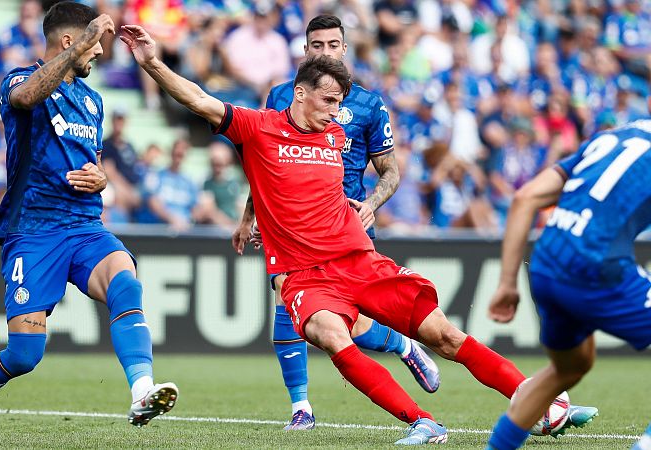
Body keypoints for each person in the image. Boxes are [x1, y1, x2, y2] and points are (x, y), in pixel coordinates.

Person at [120, 24, 597, 445]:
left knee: (446, 335)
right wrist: (153, 63)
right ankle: (422, 422)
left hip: (359, 259)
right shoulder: (259, 127)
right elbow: (199, 100)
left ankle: (540, 400)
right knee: (329, 335)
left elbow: (367, 173)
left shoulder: (336, 135)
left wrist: (363, 204)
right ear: (300, 93)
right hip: (306, 274)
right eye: (329, 101)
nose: (336, 112)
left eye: (341, 103)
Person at [0, 4, 178, 446]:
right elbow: (25, 97)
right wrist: (88, 36)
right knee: (24, 354)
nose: (99, 57)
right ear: (69, 42)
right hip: (34, 230)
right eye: (94, 46)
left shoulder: (93, 100)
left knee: (126, 283)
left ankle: (141, 391)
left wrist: (104, 178)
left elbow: (90, 165)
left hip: (84, 225)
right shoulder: (19, 79)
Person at [231, 15, 440, 431]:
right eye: (316, 45)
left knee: (351, 322)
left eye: (332, 44)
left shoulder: (366, 103)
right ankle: (301, 407)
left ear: (345, 49)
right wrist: (249, 216)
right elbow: (265, 162)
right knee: (288, 301)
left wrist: (370, 204)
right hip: (291, 225)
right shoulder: (281, 97)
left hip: (346, 224)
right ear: (305, 50)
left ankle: (401, 343)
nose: (324, 51)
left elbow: (391, 173)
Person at [486, 117, 651, 449]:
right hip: (595, 266)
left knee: (571, 365)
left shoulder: (611, 137)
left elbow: (525, 198)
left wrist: (507, 283)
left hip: (546, 263)